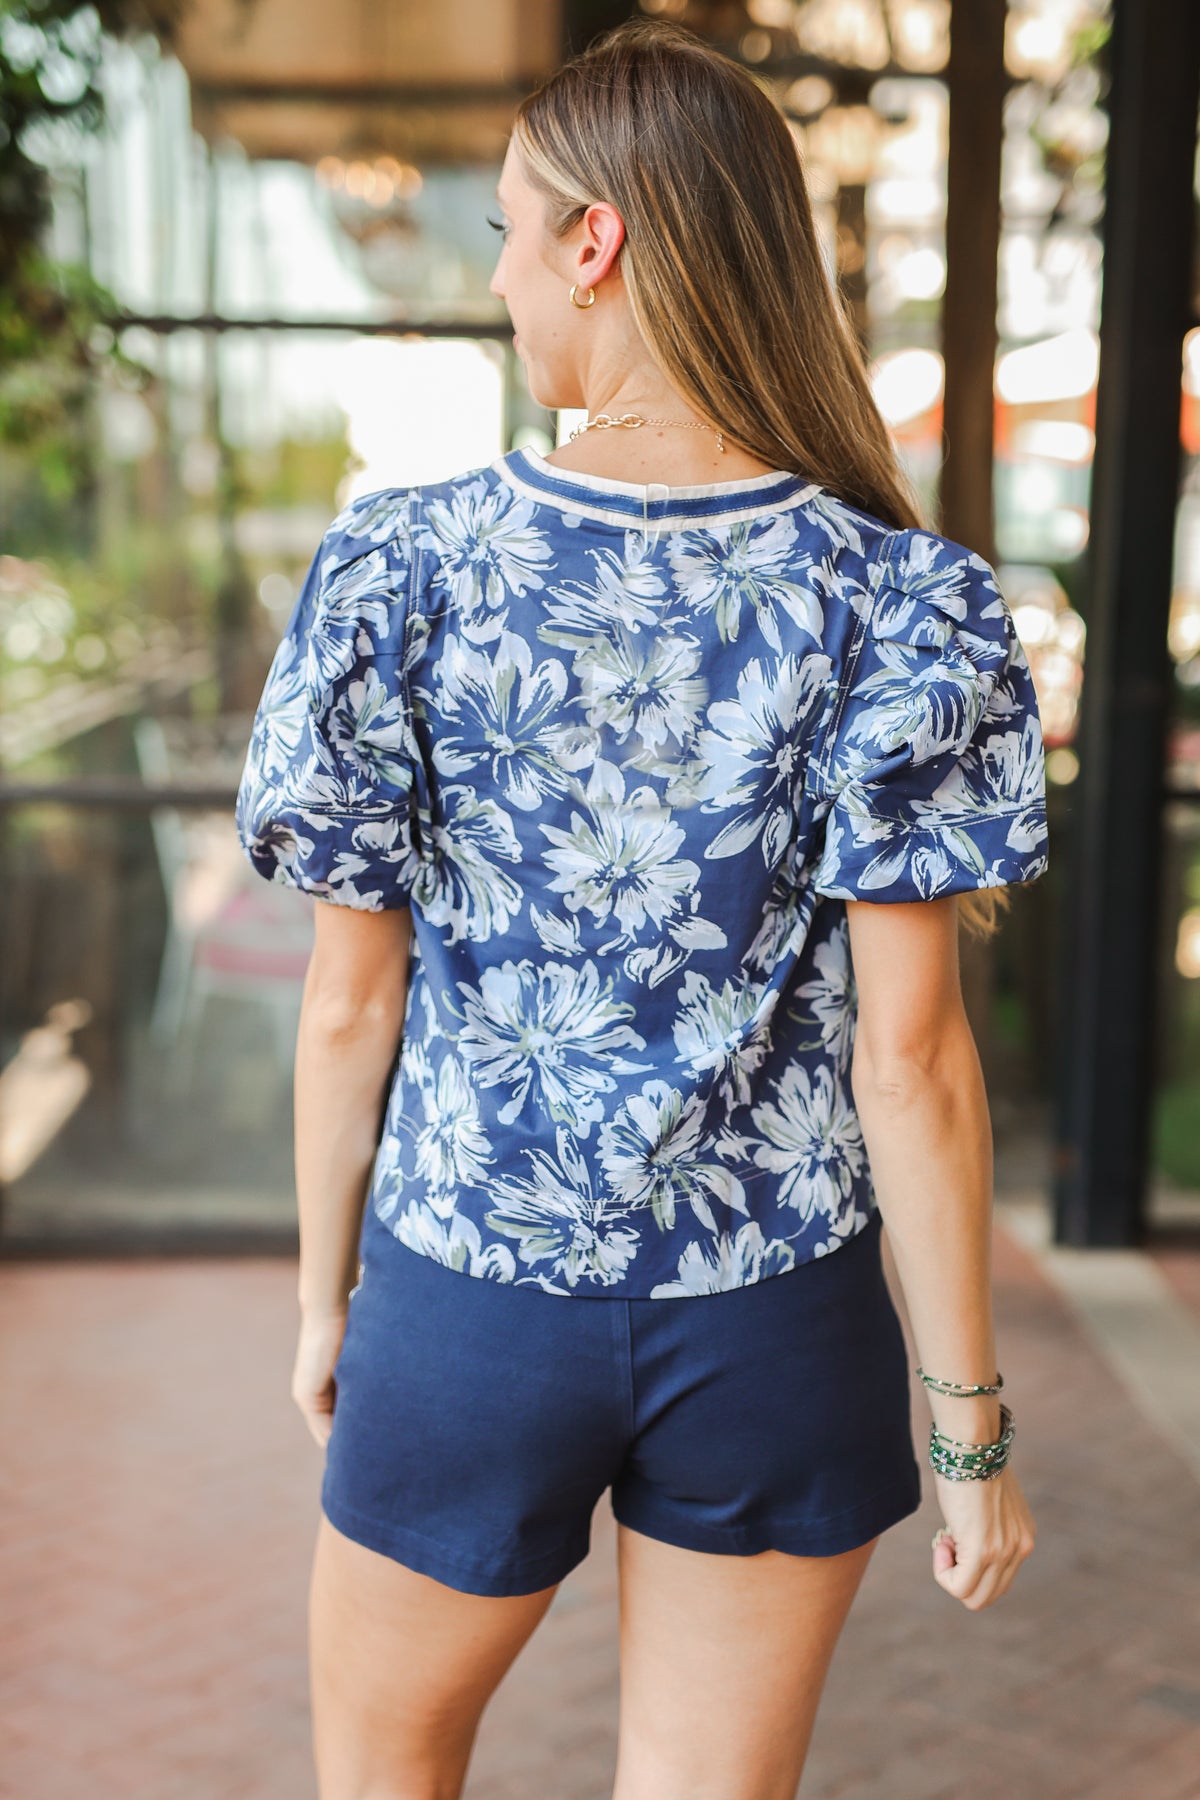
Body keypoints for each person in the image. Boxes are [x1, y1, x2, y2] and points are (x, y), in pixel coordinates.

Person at [235, 18, 1047, 1800]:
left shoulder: (408, 567)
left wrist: (325, 1303)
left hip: (471, 1299)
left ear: (594, 242)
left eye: (515, 231)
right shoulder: (899, 600)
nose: (506, 275)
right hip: (778, 1317)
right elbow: (910, 1063)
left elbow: (348, 1008)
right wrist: (968, 1433)